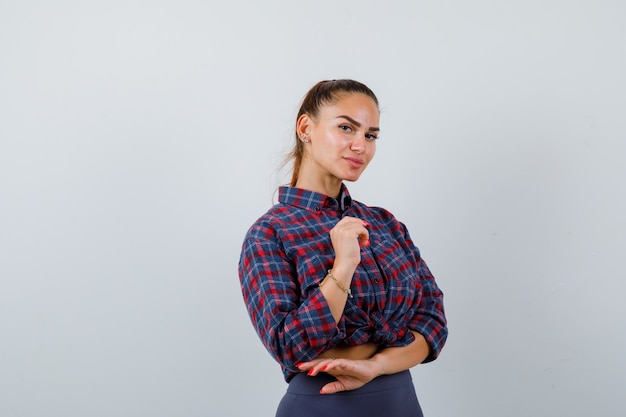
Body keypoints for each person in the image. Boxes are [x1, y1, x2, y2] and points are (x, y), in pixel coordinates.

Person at [238, 79, 448, 417]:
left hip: (399, 400)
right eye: (346, 128)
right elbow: (290, 346)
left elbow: (433, 321)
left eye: (370, 135)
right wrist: (344, 266)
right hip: (320, 404)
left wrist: (377, 366)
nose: (360, 146)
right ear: (306, 127)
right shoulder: (270, 233)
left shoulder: (384, 224)